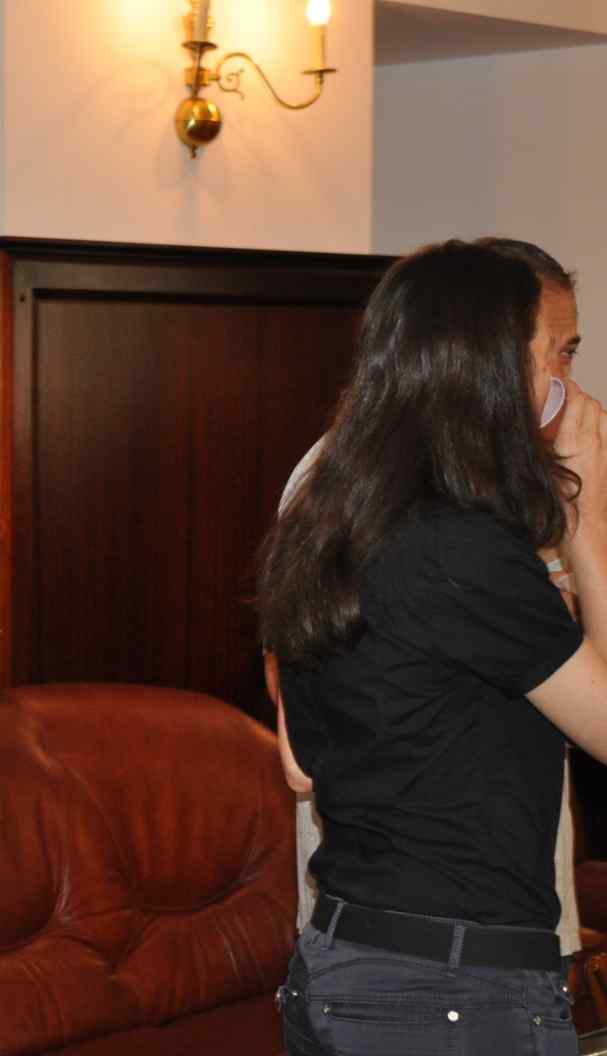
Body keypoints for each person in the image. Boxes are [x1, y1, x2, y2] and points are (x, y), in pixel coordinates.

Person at [260, 240, 607, 1055]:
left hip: (345, 955)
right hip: (451, 983)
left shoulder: (329, 514)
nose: (565, 384)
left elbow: (301, 759)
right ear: (496, 365)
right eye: (554, 354)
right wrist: (584, 514)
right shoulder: (461, 544)